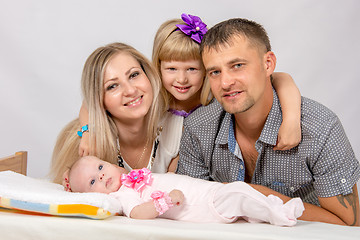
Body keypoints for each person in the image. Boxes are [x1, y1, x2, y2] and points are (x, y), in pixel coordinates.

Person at [176, 18, 360, 226]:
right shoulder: (198, 128)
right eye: (215, 72)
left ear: (268, 64)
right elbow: (189, 212)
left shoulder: (320, 128)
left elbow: (349, 224)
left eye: (237, 65)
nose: (225, 82)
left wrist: (254, 195)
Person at [152, 13, 302, 151]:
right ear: (158, 67)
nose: (182, 79)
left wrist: (291, 120)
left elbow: (280, 78)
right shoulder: (153, 106)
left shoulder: (222, 94)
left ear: (206, 70)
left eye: (192, 69)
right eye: (171, 69)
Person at [49, 42, 177, 183]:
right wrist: (88, 130)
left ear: (148, 75)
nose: (131, 91)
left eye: (134, 75)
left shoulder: (177, 129)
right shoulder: (84, 145)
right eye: (112, 86)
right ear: (99, 100)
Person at [63, 155, 305, 226]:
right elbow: (136, 213)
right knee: (239, 192)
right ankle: (279, 213)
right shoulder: (121, 194)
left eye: (100, 167)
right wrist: (164, 202)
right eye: (93, 182)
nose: (101, 175)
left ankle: (265, 211)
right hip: (203, 205)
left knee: (240, 194)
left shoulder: (131, 177)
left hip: (206, 192)